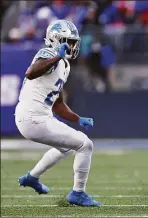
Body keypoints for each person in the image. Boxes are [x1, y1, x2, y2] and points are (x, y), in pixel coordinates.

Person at [15, 20, 101, 207]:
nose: (72, 46)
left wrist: (78, 119)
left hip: (39, 117)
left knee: (68, 147)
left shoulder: (64, 65)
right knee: (85, 145)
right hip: (33, 118)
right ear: (56, 40)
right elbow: (31, 72)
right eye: (68, 41)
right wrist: (56, 57)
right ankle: (78, 193)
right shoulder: (49, 54)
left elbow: (58, 104)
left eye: (73, 42)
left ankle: (32, 177)